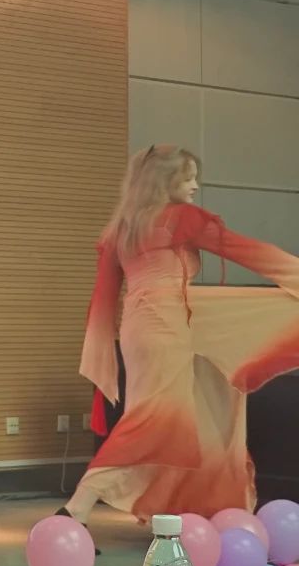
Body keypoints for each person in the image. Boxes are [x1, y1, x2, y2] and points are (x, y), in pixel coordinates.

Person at [65, 145, 299, 526]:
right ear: (165, 182)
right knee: (155, 420)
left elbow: (103, 300)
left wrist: (101, 351)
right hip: (166, 327)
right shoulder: (180, 219)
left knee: (190, 415)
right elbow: (251, 253)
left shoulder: (121, 229)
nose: (195, 186)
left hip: (137, 331)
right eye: (187, 178)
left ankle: (188, 510)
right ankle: (78, 506)